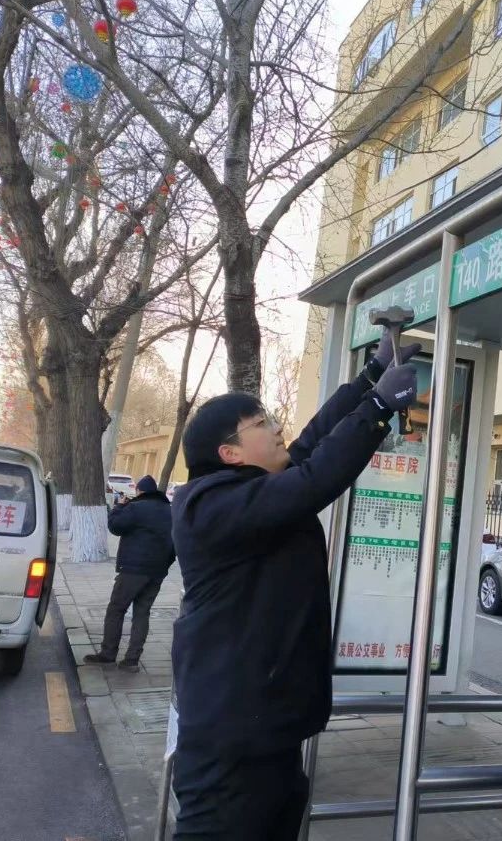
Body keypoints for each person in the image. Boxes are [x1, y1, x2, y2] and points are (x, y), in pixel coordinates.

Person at [170, 340, 420, 841]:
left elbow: (311, 445)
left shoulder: (250, 491)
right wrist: (376, 408)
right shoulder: (210, 508)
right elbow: (313, 479)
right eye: (261, 424)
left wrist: (369, 376)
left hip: (266, 725)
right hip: (231, 736)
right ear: (229, 453)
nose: (277, 428)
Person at [84, 474, 175, 672]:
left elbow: (115, 527)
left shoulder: (136, 508)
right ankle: (132, 660)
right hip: (157, 572)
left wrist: (119, 507)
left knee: (116, 609)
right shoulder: (170, 511)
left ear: (139, 491)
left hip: (133, 570)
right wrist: (164, 566)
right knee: (142, 613)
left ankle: (108, 654)